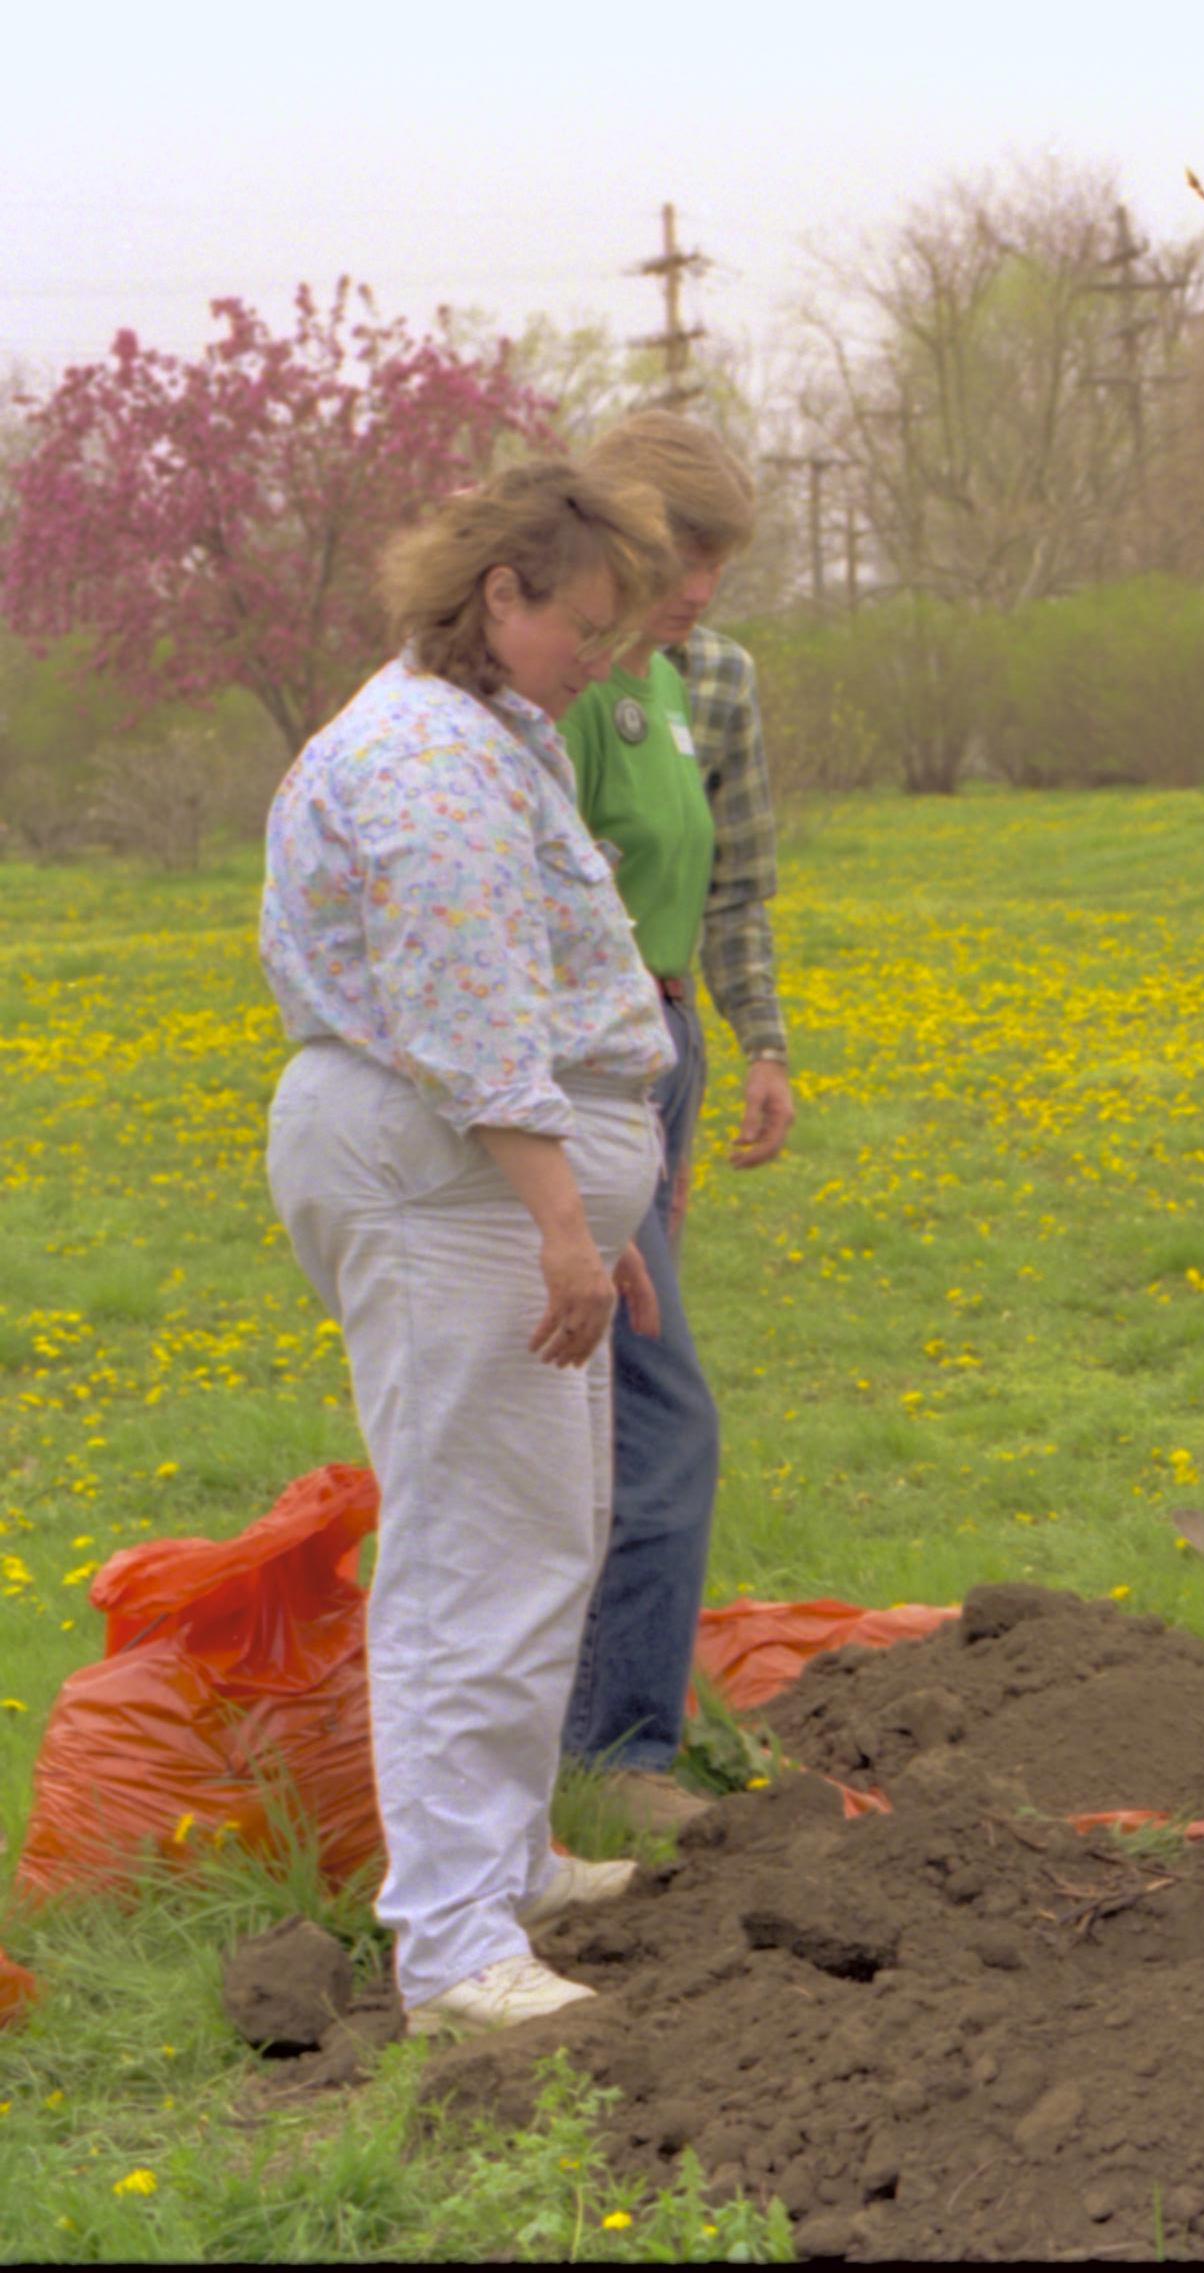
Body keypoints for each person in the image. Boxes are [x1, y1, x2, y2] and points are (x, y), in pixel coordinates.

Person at [261, 461, 677, 2037]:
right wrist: (564, 1217)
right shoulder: (428, 765)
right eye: (583, 623)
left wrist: (597, 1227)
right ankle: (448, 1945)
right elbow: (474, 1020)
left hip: (489, 1188)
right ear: (501, 593)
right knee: (471, 1559)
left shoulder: (485, 727)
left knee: (545, 1532)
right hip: (445, 1183)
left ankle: (503, 1861)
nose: (599, 656)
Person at [556, 412, 796, 1835]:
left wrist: (755, 1041)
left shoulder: (717, 678)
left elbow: (735, 884)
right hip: (583, 1056)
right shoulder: (567, 679)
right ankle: (621, 1751)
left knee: (629, 1385)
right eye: (684, 550)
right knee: (658, 1404)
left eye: (720, 559)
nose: (702, 584)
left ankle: (594, 1726)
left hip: (668, 1045)